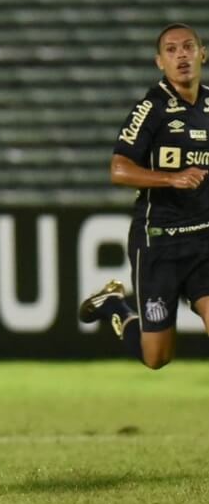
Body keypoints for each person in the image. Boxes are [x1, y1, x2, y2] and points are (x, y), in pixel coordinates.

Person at [79, 23, 209, 369]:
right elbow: (119, 170)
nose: (181, 55)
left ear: (203, 54)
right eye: (171, 49)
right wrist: (172, 179)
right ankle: (115, 307)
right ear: (159, 62)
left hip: (204, 241)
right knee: (156, 357)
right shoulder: (152, 108)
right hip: (159, 243)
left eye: (188, 47)